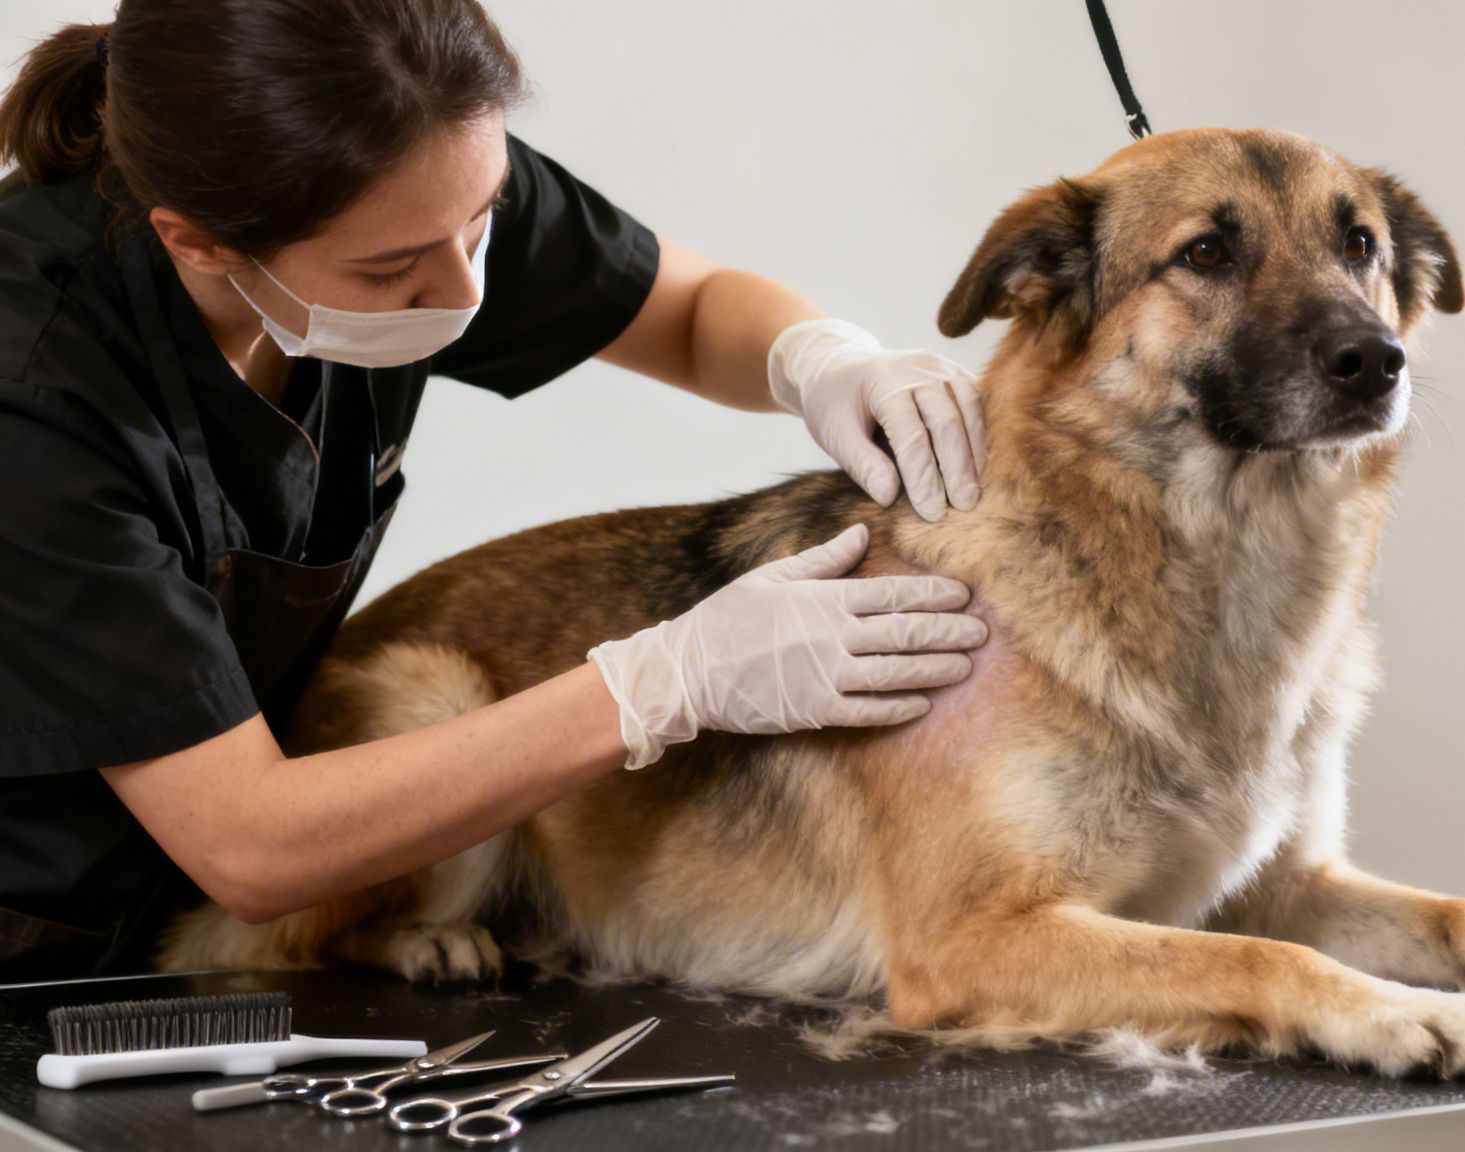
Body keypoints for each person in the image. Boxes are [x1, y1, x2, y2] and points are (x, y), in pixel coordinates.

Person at [0, 0, 992, 983]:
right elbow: (251, 846)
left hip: (226, 919)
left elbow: (688, 313)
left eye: (482, 218)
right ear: (201, 241)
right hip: (40, 935)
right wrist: (664, 682)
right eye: (392, 270)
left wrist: (819, 359)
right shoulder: (36, 402)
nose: (464, 287)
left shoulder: (413, 178)